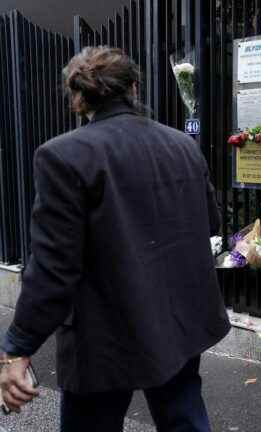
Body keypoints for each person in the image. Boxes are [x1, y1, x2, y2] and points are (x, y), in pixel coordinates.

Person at [0, 46, 230, 431]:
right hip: (178, 319)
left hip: (103, 331)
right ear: (134, 88)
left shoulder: (63, 156)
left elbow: (54, 268)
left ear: (77, 98)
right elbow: (209, 222)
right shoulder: (181, 146)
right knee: (184, 418)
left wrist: (17, 348)